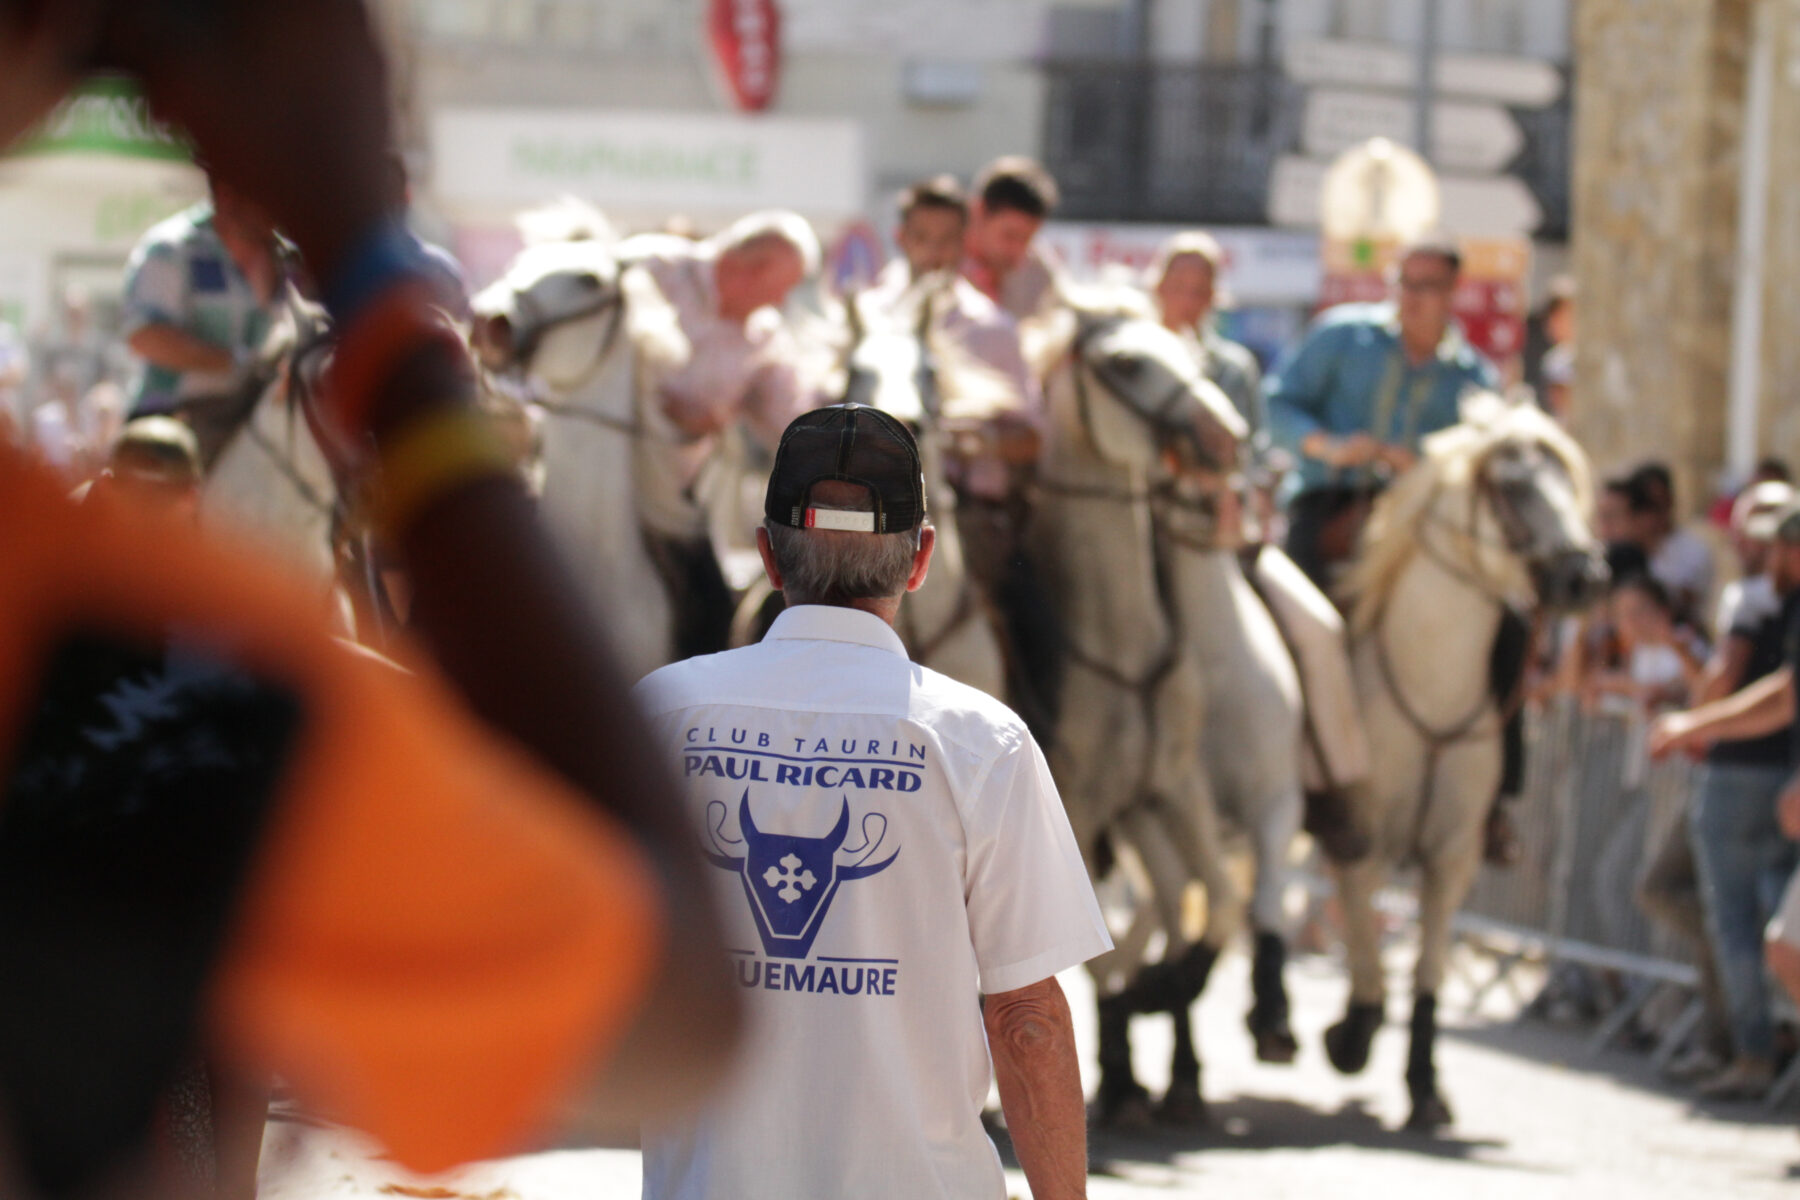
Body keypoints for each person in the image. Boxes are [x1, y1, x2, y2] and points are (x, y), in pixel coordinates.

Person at [0, 5, 742, 1195]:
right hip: (209, 393)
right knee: (180, 449)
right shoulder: (99, 623)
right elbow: (676, 1017)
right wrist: (364, 269)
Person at [635, 403, 1110, 1200]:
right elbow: (1026, 1020)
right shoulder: (982, 741)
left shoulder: (660, 714)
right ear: (920, 559)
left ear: (769, 556)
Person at [1648, 504, 1800, 1100]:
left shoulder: (1759, 603)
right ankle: (1755, 1047)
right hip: (1771, 780)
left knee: (1747, 927)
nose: (1765, 556)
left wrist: (1693, 724)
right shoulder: (1781, 605)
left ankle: (1755, 1051)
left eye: (1776, 546)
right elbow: (1787, 694)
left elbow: (1769, 691)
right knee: (1778, 940)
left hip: (1749, 779)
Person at [627, 209, 820, 658]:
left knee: (712, 616)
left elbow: (794, 420)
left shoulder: (763, 338)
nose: (781, 301)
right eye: (782, 286)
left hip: (672, 504)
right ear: (745, 266)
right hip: (593, 472)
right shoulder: (650, 268)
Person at [1267, 236, 1501, 593]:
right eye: (1404, 282)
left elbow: (1481, 460)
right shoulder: (1342, 335)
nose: (1411, 296)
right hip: (1329, 500)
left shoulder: (1474, 377)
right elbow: (1277, 402)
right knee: (1294, 600)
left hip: (1425, 517)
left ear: (1455, 290)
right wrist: (1328, 446)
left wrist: (1421, 465)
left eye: (1427, 285)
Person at [119, 175, 286, 427]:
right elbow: (144, 336)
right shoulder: (171, 247)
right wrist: (240, 364)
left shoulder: (285, 254)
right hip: (173, 419)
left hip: (256, 421)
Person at [963, 155, 1063, 323]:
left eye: (1027, 240)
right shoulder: (939, 258)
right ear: (978, 211)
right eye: (1009, 235)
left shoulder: (1039, 272)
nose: (1018, 252)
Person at [1625, 462, 1716, 630]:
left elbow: (1682, 603)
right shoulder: (1627, 548)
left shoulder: (1694, 550)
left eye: (1658, 504)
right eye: (1645, 506)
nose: (1653, 513)